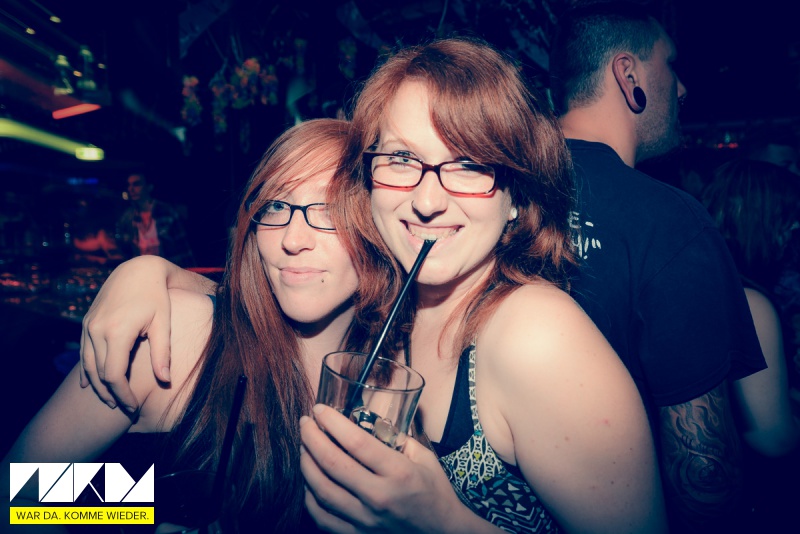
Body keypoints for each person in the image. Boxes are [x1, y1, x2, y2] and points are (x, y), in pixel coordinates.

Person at [78, 38, 665, 532]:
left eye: (469, 164)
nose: (429, 200)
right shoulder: (383, 334)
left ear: (517, 194)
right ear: (371, 193)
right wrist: (130, 509)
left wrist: (443, 522)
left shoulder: (537, 334)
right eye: (402, 159)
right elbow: (34, 500)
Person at [2, 118, 384, 532]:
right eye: (276, 205)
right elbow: (20, 495)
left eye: (329, 208)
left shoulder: (395, 388)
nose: (292, 239)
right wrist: (137, 513)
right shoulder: (176, 337)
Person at [548, 2, 767, 531]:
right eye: (670, 64)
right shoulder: (670, 222)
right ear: (629, 76)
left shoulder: (488, 189)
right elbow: (704, 477)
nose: (683, 88)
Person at [702, 158, 800, 530]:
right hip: (754, 496)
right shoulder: (750, 304)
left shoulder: (706, 280)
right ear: (764, 222)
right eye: (788, 220)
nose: (794, 231)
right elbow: (772, 438)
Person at [116, 171, 196, 267]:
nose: (130, 189)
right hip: (143, 271)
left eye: (136, 184)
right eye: (129, 185)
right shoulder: (128, 217)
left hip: (167, 271)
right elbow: (126, 249)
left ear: (149, 187)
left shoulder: (166, 212)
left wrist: (190, 271)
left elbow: (183, 249)